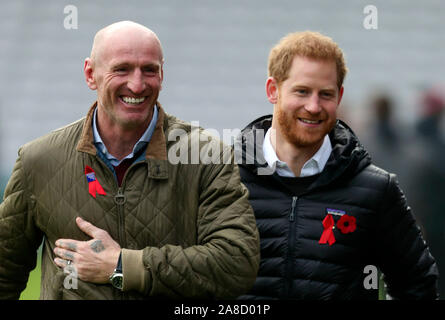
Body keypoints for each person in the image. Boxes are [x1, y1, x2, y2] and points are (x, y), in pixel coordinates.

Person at [0, 21, 260, 300]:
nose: (137, 85)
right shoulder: (38, 160)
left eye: (149, 70)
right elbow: (5, 272)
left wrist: (123, 266)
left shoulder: (207, 157)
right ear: (90, 74)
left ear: (162, 74)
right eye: (121, 69)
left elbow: (237, 263)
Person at [235, 31, 438, 299]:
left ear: (339, 97)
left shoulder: (376, 190)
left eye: (326, 94)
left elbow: (419, 283)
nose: (314, 106)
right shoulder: (222, 179)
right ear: (273, 90)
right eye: (302, 91)